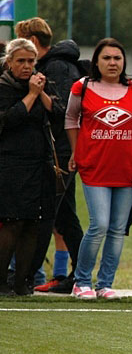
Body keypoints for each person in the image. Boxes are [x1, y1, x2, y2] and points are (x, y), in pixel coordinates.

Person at [66, 38, 132, 300]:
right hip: (94, 168)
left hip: (128, 170)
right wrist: (76, 151)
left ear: (124, 61)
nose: (113, 63)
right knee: (99, 225)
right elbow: (70, 118)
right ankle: (81, 281)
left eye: (117, 58)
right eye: (106, 58)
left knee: (117, 229)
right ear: (96, 61)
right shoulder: (82, 87)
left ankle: (105, 284)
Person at [14, 17, 85, 294]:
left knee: (47, 213)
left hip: (60, 152)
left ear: (32, 41)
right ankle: (78, 275)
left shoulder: (56, 66)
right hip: (59, 149)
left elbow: (64, 111)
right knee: (64, 216)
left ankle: (27, 276)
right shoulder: (57, 64)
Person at [0, 38, 65, 295]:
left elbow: (59, 113)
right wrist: (31, 95)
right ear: (9, 62)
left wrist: (41, 92)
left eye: (31, 61)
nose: (27, 66)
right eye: (21, 61)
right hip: (11, 164)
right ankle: (2, 281)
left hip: (40, 164)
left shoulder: (42, 85)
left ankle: (23, 282)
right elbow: (10, 120)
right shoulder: (3, 87)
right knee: (12, 222)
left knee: (34, 224)